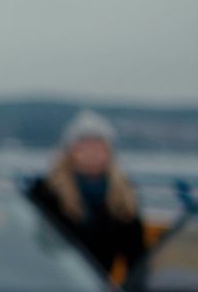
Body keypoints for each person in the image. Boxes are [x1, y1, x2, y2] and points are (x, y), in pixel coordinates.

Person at [28, 109, 146, 281]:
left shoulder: (123, 196)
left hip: (98, 288)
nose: (92, 154)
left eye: (99, 147)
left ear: (109, 153)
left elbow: (135, 254)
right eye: (83, 147)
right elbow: (35, 243)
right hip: (52, 283)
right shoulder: (46, 191)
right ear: (70, 152)